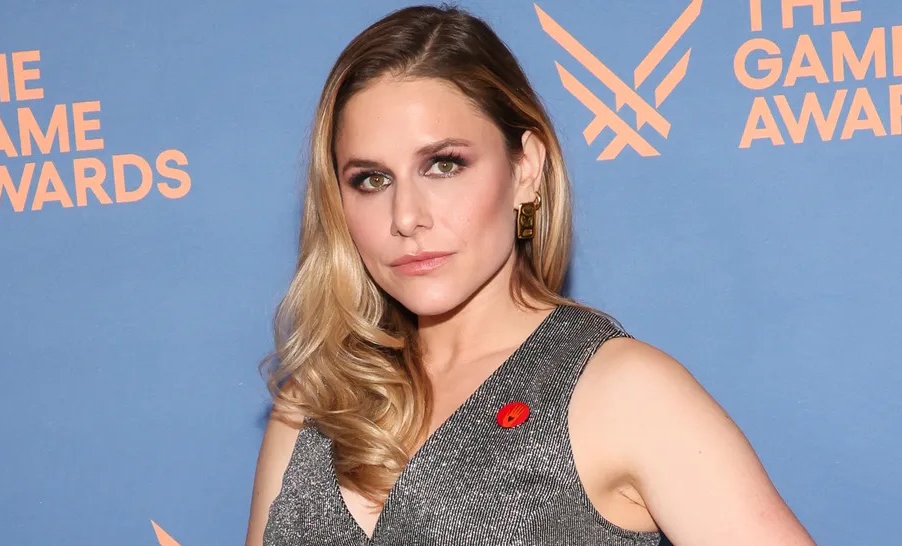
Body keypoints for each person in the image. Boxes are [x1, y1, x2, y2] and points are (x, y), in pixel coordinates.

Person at [245, 4, 815, 545]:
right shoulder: (314, 403)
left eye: (443, 165)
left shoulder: (621, 392)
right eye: (372, 180)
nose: (406, 217)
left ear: (526, 170)